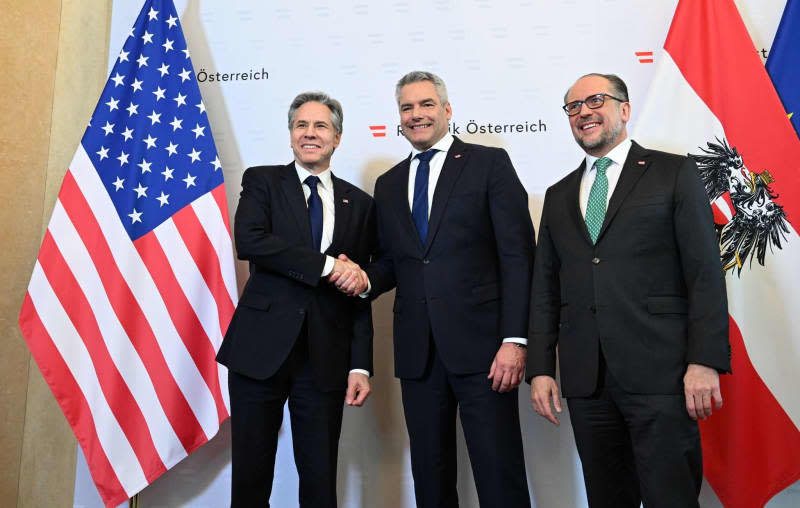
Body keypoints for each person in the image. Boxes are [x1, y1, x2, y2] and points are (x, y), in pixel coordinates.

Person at [528, 73, 731, 508]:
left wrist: (705, 360)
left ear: (624, 108)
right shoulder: (558, 194)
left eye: (595, 100)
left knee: (670, 497)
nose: (584, 111)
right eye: (573, 106)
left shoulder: (674, 172)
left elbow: (704, 274)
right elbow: (545, 289)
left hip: (662, 374)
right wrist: (542, 368)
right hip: (588, 381)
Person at [336, 71, 534, 507]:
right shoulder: (388, 184)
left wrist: (515, 339)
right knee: (430, 476)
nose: (416, 114)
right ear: (399, 118)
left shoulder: (488, 164)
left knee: (498, 473)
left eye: (426, 104)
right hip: (418, 354)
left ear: (447, 110)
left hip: (486, 352)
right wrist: (365, 277)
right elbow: (394, 262)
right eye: (407, 108)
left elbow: (518, 256)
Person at [216, 91, 375, 508]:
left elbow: (358, 290)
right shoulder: (262, 181)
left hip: (325, 356)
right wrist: (327, 267)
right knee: (251, 475)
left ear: (337, 138)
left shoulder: (360, 204)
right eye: (301, 125)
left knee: (320, 477)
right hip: (258, 351)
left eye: (321, 126)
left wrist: (360, 364)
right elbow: (250, 241)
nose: (310, 133)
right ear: (290, 135)